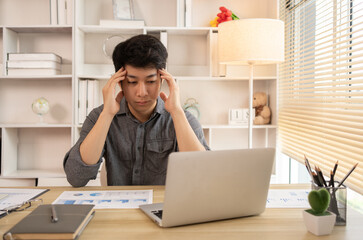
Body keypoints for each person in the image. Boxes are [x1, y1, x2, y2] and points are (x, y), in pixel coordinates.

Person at [63, 34, 209, 187]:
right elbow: (76, 177)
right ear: (119, 83)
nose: (142, 92)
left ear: (162, 80)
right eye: (132, 82)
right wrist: (107, 115)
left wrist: (177, 113)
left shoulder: (182, 118)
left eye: (151, 81)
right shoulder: (99, 116)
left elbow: (203, 176)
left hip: (164, 208)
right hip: (119, 208)